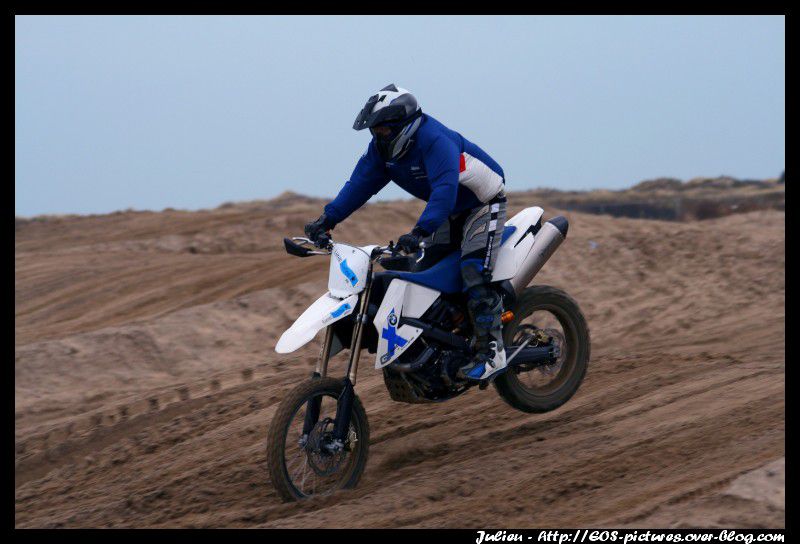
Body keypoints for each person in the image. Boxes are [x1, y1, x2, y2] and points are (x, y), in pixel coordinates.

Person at [304, 84, 508, 382]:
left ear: (403, 125)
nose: (378, 137)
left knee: (473, 271)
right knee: (421, 277)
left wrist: (420, 231)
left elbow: (445, 190)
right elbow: (358, 186)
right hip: (448, 212)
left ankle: (493, 351)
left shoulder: (434, 140)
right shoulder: (382, 151)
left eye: (383, 130)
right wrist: (326, 219)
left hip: (481, 205)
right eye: (374, 131)